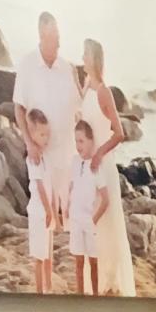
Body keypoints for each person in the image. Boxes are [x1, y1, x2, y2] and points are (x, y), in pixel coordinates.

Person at [78, 38, 136, 296]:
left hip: (102, 164)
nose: (82, 58)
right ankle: (97, 280)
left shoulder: (104, 91)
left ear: (94, 59)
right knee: (92, 222)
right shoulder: (87, 86)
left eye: (86, 54)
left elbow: (119, 132)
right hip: (88, 164)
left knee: (108, 224)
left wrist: (99, 153)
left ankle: (112, 280)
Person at [13, 12, 79, 231]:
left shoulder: (67, 68)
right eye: (54, 37)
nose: (59, 43)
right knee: (43, 220)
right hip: (42, 154)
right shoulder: (27, 65)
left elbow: (79, 110)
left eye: (59, 36)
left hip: (68, 154)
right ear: (42, 35)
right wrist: (29, 144)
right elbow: (19, 107)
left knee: (72, 220)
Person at [68, 118, 108, 296]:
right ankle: (80, 295)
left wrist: (94, 219)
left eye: (81, 141)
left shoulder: (96, 167)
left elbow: (106, 200)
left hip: (89, 221)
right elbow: (72, 185)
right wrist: (67, 207)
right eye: (76, 141)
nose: (78, 145)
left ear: (91, 141)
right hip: (75, 219)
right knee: (78, 261)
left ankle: (95, 296)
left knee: (93, 262)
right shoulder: (75, 161)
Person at [24, 108, 57, 294]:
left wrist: (53, 209)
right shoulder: (33, 159)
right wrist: (49, 210)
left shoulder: (45, 157)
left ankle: (49, 286)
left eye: (47, 134)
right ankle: (39, 291)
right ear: (32, 134)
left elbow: (51, 186)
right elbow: (40, 187)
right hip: (38, 211)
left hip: (47, 210)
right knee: (39, 256)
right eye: (42, 134)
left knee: (49, 254)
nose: (46, 138)